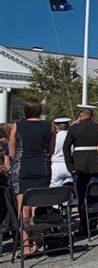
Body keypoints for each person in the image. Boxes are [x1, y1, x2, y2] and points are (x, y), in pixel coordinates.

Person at [5, 99, 56, 255]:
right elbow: (51, 149)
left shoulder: (17, 125)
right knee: (37, 207)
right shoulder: (50, 125)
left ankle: (26, 246)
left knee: (23, 208)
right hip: (43, 167)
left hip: (23, 169)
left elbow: (12, 152)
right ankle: (38, 242)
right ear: (40, 111)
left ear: (25, 111)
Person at [63, 105, 98, 237]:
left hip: (79, 167)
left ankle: (84, 226)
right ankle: (93, 225)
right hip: (95, 166)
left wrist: (70, 167)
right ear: (92, 115)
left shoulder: (74, 128)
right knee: (94, 197)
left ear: (80, 115)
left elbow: (66, 148)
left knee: (81, 198)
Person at [49, 117, 73, 187]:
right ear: (68, 125)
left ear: (56, 126)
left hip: (56, 165)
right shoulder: (71, 137)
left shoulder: (54, 137)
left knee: (54, 190)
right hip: (69, 165)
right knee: (70, 189)